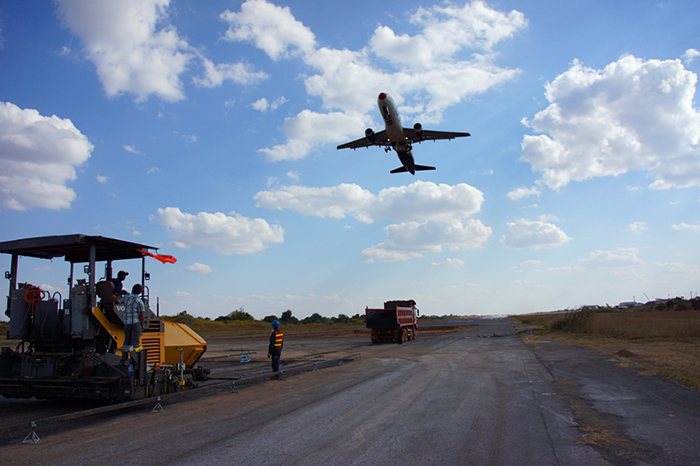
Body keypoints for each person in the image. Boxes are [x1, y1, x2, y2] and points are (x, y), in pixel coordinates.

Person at [121, 284, 145, 364]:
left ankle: (123, 359)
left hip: (127, 323)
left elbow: (118, 301)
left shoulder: (126, 297)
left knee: (126, 342)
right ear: (140, 291)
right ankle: (133, 361)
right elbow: (141, 314)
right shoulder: (139, 301)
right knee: (134, 343)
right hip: (135, 323)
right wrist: (142, 325)